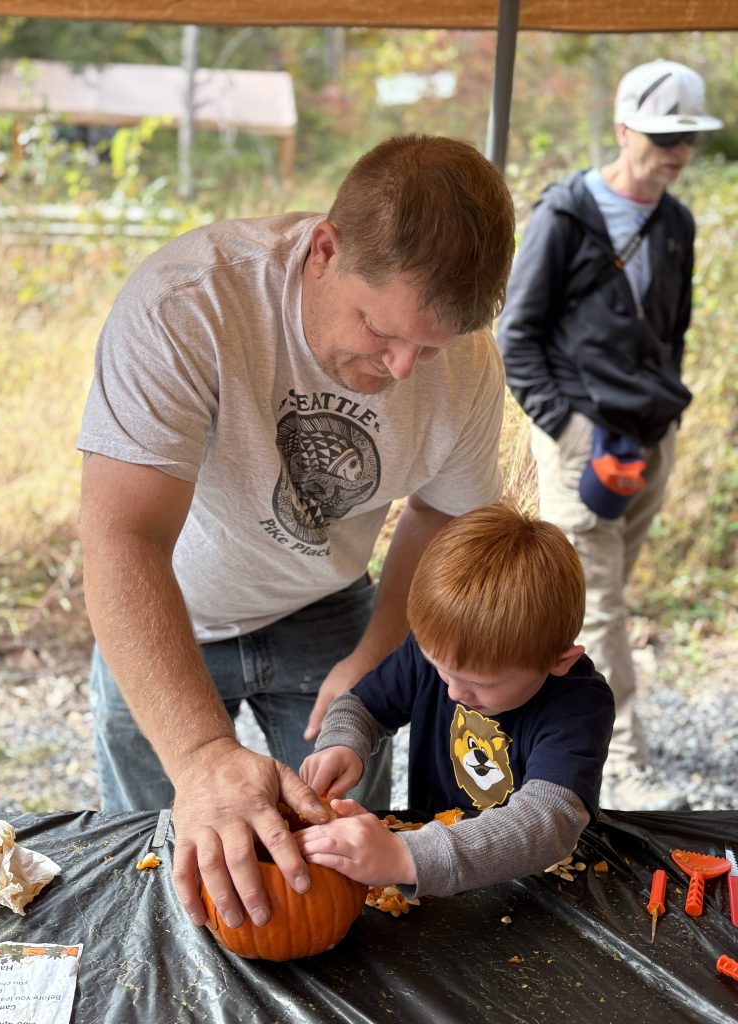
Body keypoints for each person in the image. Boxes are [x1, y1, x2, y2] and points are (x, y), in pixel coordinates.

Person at [77, 134, 515, 930]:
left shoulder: (468, 366)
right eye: (381, 330)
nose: (404, 368)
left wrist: (376, 654)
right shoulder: (189, 304)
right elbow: (121, 537)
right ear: (325, 250)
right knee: (160, 866)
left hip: (326, 607)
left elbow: (442, 513)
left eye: (431, 346)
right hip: (168, 611)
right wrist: (204, 758)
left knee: (332, 869)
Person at [495, 60, 723, 812]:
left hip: (651, 436)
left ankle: (547, 722)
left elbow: (673, 331)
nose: (675, 153)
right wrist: (567, 428)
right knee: (594, 601)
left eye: (686, 139)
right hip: (583, 439)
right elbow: (516, 337)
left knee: (610, 588)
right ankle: (623, 760)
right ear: (624, 129)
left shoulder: (678, 221)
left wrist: (666, 412)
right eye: (662, 136)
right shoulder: (564, 216)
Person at [295, 502, 614, 897]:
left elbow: (547, 820)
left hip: (533, 890)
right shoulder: (437, 654)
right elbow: (360, 706)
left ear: (559, 661)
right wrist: (343, 744)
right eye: (441, 670)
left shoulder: (579, 707)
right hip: (429, 873)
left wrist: (404, 857)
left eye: (482, 683)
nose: (455, 693)